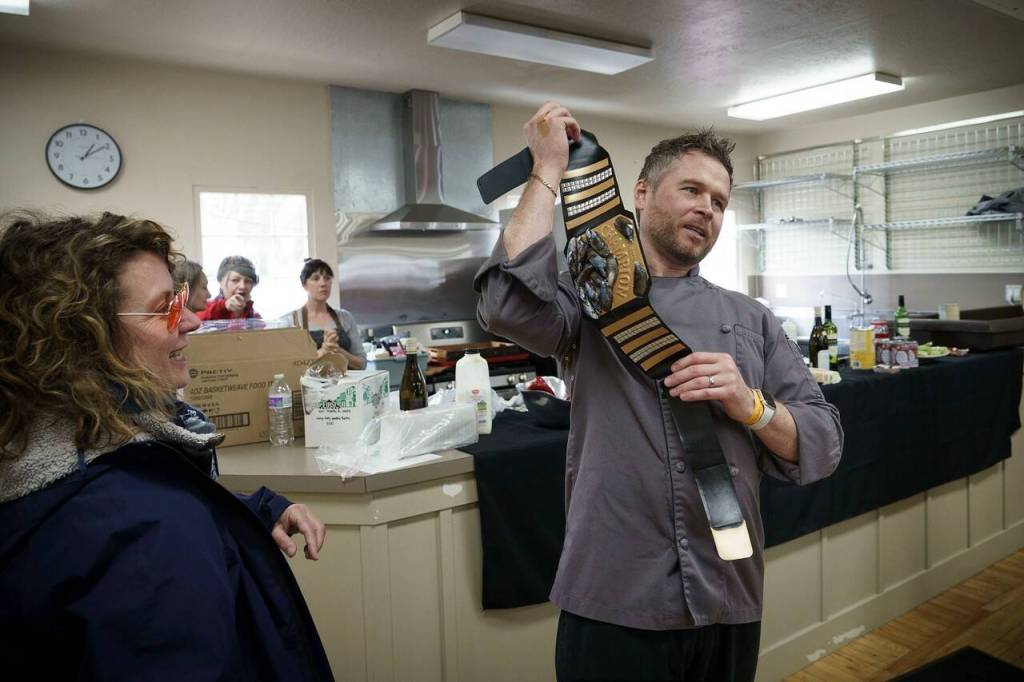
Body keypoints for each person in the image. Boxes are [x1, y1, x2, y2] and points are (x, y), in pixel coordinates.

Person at [475, 103, 843, 681]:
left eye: (719, 202)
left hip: (729, 587)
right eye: (692, 189)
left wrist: (752, 405)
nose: (707, 208)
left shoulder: (752, 320)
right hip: (614, 591)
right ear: (640, 194)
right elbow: (504, 306)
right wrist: (548, 168)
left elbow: (821, 445)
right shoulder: (583, 304)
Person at [0, 211, 333, 681]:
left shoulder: (43, 457)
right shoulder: (150, 531)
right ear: (82, 337)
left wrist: (248, 511)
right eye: (164, 309)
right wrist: (188, 520)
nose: (194, 320)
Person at [289, 258, 367, 368]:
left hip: (345, 384)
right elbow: (290, 367)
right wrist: (324, 350)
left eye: (327, 278)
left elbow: (362, 364)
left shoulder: (345, 317)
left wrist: (338, 351)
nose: (323, 283)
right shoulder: (292, 321)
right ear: (304, 284)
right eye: (316, 278)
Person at [197, 254, 262, 321]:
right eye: (235, 280)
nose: (242, 286)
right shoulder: (204, 308)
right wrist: (224, 307)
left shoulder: (254, 317)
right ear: (221, 282)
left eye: (248, 281)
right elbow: (197, 321)